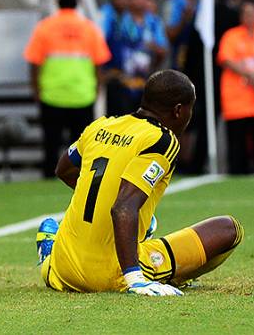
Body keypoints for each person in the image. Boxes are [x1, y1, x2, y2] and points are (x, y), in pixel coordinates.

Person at [37, 70, 243, 295]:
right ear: (178, 111)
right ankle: (160, 275)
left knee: (137, 219)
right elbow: (123, 207)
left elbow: (63, 169)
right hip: (109, 274)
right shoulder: (163, 141)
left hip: (63, 267)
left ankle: (49, 253)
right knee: (229, 229)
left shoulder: (101, 126)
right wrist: (134, 278)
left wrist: (100, 202)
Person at [23, 0, 111, 178]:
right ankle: (81, 178)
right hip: (82, 94)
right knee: (82, 145)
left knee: (51, 142)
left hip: (52, 94)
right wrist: (97, 88)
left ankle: (49, 175)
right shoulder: (89, 28)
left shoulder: (45, 27)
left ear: (57, 2)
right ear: (77, 2)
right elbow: (99, 63)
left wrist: (36, 89)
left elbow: (34, 62)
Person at [179, 0, 242, 174]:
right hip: (229, 77)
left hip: (203, 75)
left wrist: (188, 73)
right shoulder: (235, 16)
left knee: (206, 120)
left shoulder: (205, 14)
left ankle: (198, 162)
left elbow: (192, 46)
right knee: (233, 123)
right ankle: (236, 164)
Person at [217, 0, 254, 175]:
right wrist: (250, 74)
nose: (249, 16)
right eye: (245, 13)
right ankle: (236, 173)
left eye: (252, 13)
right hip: (237, 101)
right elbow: (225, 58)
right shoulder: (231, 36)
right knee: (237, 143)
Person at [112, 0, 168, 115]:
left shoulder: (154, 22)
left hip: (144, 85)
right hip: (121, 83)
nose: (142, 0)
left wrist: (153, 48)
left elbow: (163, 50)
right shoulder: (119, 20)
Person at [101, 0, 131, 116]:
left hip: (124, 76)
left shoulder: (127, 18)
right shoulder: (104, 16)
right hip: (107, 75)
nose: (125, 0)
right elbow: (99, 44)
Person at [165, 0, 201, 69]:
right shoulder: (172, 4)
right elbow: (169, 34)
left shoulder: (202, 5)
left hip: (197, 54)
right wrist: (184, 19)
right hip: (180, 53)